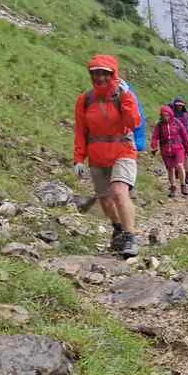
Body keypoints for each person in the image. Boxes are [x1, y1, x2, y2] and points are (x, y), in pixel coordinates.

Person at [73, 54, 142, 257]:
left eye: (105, 73)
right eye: (96, 73)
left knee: (119, 192)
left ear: (113, 74)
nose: (100, 77)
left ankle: (131, 237)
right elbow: (80, 131)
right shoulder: (84, 100)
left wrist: (127, 97)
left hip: (123, 151)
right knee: (105, 200)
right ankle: (118, 229)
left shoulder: (122, 95)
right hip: (97, 156)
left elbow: (133, 122)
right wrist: (78, 158)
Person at [151, 105, 188, 197]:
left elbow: (184, 134)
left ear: (170, 114)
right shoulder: (159, 125)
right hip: (165, 150)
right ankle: (173, 187)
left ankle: (183, 185)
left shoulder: (176, 122)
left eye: (167, 115)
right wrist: (154, 146)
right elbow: (154, 137)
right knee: (170, 169)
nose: (165, 117)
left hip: (178, 148)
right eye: (163, 115)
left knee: (179, 165)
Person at [169, 97, 188, 185]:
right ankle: (179, 172)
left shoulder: (187, 115)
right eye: (177, 105)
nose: (179, 107)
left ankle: (187, 176)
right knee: (175, 156)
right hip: (175, 139)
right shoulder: (171, 114)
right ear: (174, 105)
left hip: (186, 139)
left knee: (186, 157)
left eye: (181, 105)